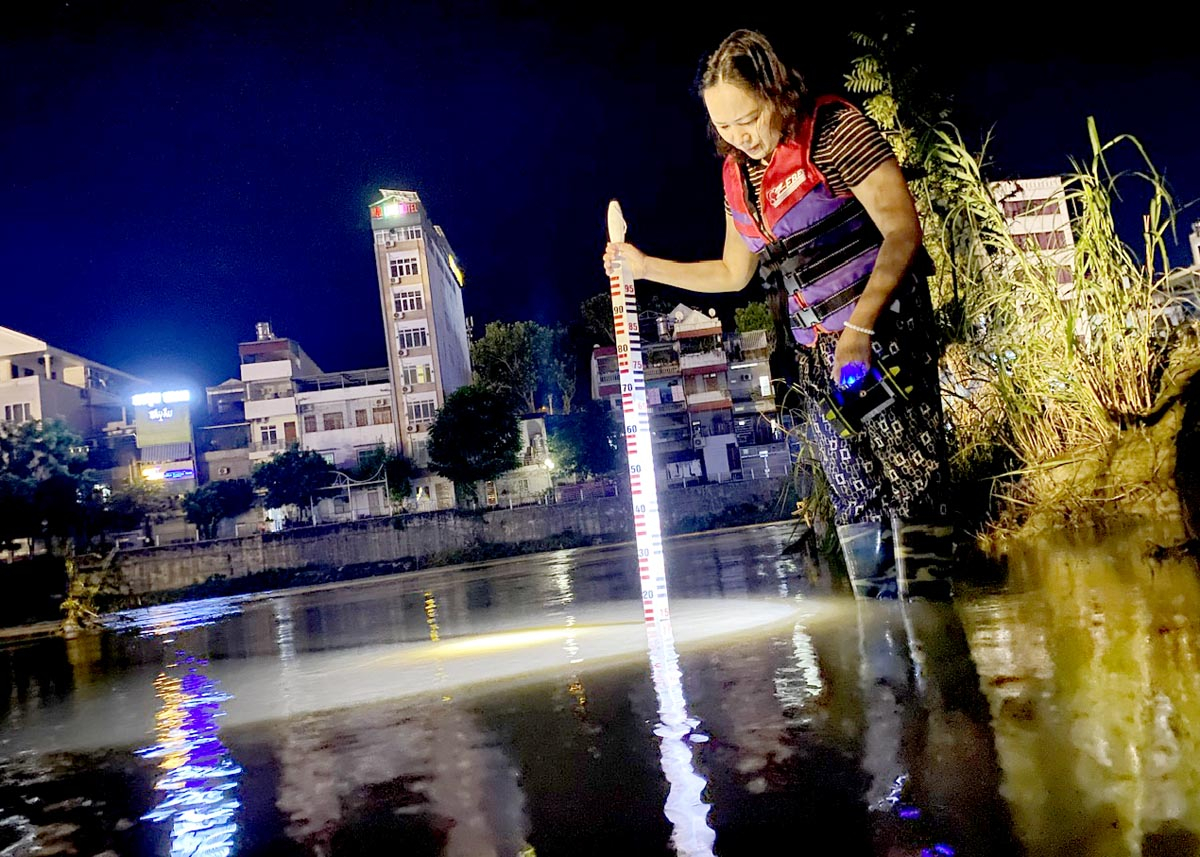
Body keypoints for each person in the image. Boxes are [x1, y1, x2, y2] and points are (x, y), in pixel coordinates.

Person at [602, 28, 953, 600]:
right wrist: (642, 266)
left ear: (776, 92)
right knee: (854, 502)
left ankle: (941, 646)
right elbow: (731, 274)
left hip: (884, 340)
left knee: (916, 495)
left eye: (748, 118)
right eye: (723, 127)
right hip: (817, 362)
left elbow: (901, 231)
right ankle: (884, 657)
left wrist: (861, 327)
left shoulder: (835, 130)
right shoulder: (738, 177)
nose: (740, 137)